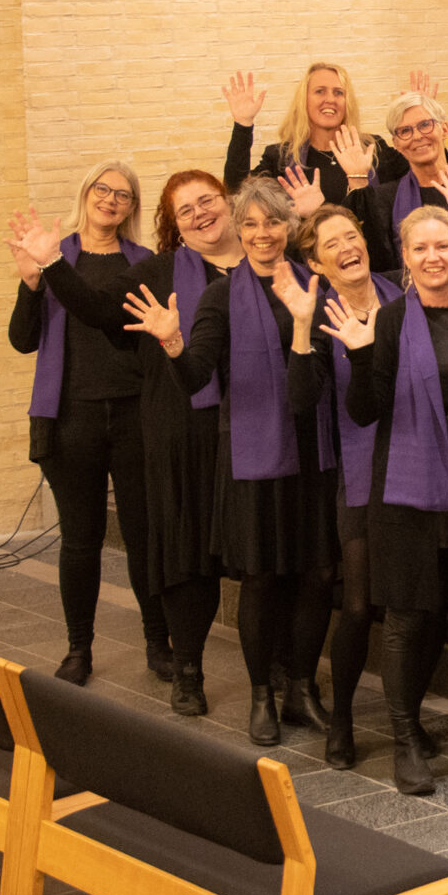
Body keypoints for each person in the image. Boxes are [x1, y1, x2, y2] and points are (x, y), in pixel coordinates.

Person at [133, 178, 339, 746]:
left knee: (318, 574)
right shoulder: (222, 295)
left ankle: (301, 686)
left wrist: (304, 321)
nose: (261, 234)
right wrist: (172, 344)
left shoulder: (313, 284)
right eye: (249, 224)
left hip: (315, 449)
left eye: (271, 222)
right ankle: (261, 697)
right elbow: (198, 372)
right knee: (263, 576)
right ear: (239, 230)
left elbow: (323, 371)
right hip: (254, 454)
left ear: (288, 228)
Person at [325, 204, 448, 796]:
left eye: (444, 246)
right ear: (405, 258)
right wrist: (359, 357)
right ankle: (407, 738)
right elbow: (364, 411)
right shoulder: (388, 321)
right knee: (408, 620)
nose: (434, 257)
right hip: (407, 494)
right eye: (420, 249)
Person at [37, 171, 242, 717]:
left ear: (228, 203)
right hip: (186, 435)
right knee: (188, 559)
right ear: (173, 226)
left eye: (207, 201)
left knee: (266, 564)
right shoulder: (158, 271)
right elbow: (102, 311)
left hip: (259, 431)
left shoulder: (267, 258)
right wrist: (52, 265)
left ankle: (278, 684)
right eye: (185, 211)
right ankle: (189, 673)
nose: (200, 214)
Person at [6, 163, 161, 685]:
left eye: (124, 195)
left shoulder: (142, 262)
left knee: (143, 535)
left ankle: (158, 644)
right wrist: (31, 283)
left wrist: (49, 266)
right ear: (87, 193)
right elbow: (24, 341)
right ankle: (79, 649)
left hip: (135, 413)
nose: (112, 200)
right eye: (104, 189)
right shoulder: (57, 255)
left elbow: (104, 313)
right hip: (72, 416)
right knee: (80, 539)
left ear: (132, 208)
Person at [299, 203, 398, 768]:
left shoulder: (399, 297)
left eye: (351, 235)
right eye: (331, 243)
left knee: (410, 604)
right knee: (358, 606)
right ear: (317, 262)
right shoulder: (316, 316)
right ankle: (341, 722)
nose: (346, 246)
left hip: (413, 459)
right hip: (359, 467)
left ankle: (405, 722)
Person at [221, 60, 400, 207]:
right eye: (319, 91)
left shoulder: (371, 149)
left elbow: (417, 177)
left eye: (338, 93)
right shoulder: (280, 158)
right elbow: (238, 190)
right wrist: (243, 125)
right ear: (304, 100)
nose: (330, 99)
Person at [359, 87, 448, 276]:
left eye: (425, 125)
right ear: (396, 144)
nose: (417, 136)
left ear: (444, 129)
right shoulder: (384, 199)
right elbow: (381, 267)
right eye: (405, 131)